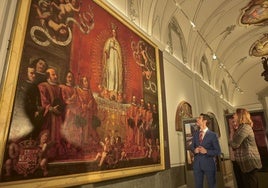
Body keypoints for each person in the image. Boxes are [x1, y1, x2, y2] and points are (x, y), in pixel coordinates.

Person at [229, 108, 262, 188]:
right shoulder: (241, 128)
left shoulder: (245, 127)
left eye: (235, 114)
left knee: (251, 184)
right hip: (245, 163)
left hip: (250, 162)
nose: (233, 116)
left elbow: (234, 145)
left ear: (240, 115)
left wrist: (231, 132)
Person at [191, 113, 221, 188]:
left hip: (209, 164)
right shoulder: (195, 134)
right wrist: (195, 150)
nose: (197, 119)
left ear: (205, 121)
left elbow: (218, 151)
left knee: (212, 185)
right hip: (197, 165)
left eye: (199, 118)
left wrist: (206, 151)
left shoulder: (213, 135)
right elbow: (191, 147)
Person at [38, 68, 65, 146]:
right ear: (48, 76)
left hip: (58, 114)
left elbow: (62, 101)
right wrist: (51, 108)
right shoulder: (43, 86)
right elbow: (43, 100)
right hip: (49, 115)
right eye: (53, 75)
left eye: (56, 74)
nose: (56, 76)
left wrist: (60, 109)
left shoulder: (59, 88)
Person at [102, 26, 123, 100]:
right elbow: (106, 49)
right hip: (110, 59)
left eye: (115, 32)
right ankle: (109, 89)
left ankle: (115, 90)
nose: (114, 33)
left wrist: (116, 49)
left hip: (116, 61)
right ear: (112, 32)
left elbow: (120, 54)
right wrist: (107, 52)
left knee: (116, 74)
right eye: (113, 32)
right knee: (111, 72)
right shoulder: (109, 40)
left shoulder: (117, 43)